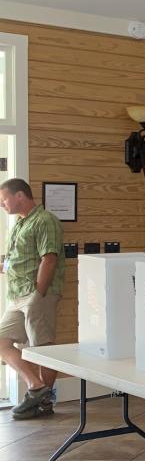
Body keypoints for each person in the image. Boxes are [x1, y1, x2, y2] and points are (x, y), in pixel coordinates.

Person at [0, 178, 66, 420]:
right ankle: (37, 387)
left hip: (37, 294)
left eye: (3, 198)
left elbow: (49, 258)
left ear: (20, 196)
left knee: (42, 347)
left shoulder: (45, 220)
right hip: (17, 295)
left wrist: (39, 293)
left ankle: (43, 404)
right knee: (2, 341)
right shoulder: (19, 224)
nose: (1, 204)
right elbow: (17, 260)